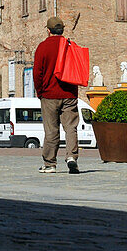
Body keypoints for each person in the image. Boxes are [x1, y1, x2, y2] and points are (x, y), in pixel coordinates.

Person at [33, 16, 80, 174]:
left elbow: (37, 73)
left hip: (49, 95)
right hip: (69, 94)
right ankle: (72, 157)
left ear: (48, 30)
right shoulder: (70, 46)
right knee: (71, 127)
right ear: (63, 30)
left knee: (51, 130)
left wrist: (40, 92)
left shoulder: (43, 47)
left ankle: (50, 164)